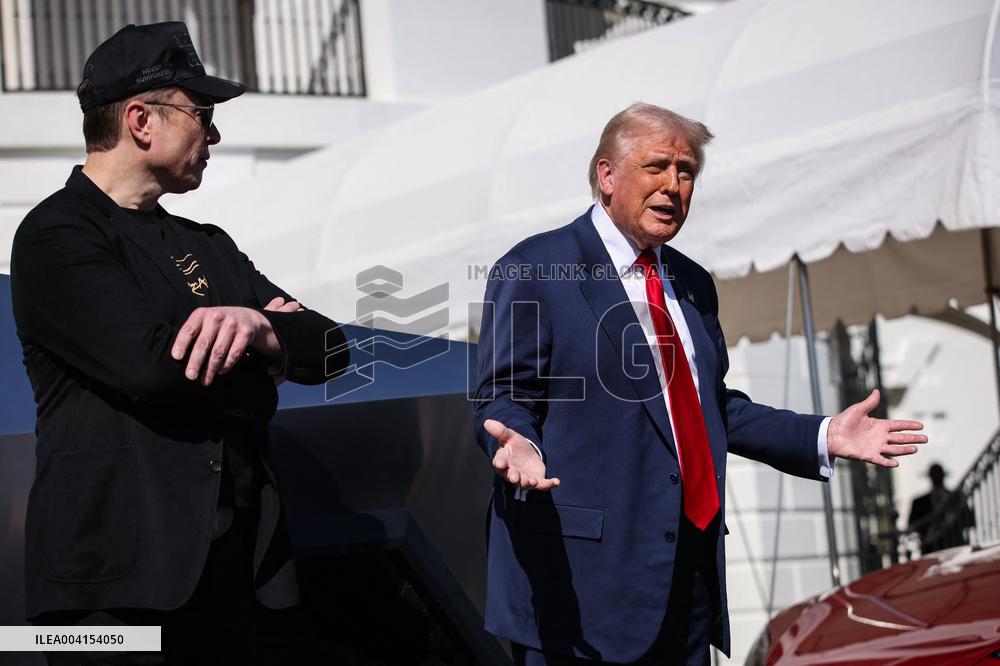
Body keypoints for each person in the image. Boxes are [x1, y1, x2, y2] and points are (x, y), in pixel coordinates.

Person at [472, 103, 927, 665]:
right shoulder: (536, 269)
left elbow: (710, 407)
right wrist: (519, 443)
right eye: (657, 166)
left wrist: (824, 434)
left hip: (686, 582)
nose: (673, 185)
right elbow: (505, 394)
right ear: (607, 176)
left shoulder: (691, 282)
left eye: (686, 172)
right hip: (581, 590)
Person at [10, 22, 349, 664]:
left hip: (231, 572)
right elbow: (152, 369)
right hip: (109, 586)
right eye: (202, 114)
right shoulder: (55, 235)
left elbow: (332, 349)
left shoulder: (208, 245)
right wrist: (268, 370)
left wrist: (260, 328)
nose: (214, 135)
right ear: (141, 120)